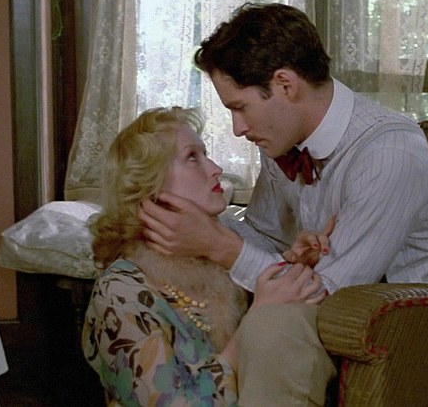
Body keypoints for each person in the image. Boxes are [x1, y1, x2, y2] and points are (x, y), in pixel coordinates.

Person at [139, 3, 428, 406]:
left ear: (285, 84)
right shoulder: (281, 138)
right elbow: (265, 233)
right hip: (325, 300)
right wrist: (198, 223)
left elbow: (327, 294)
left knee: (270, 326)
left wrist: (219, 246)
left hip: (402, 323)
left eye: (240, 108)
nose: (238, 129)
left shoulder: (389, 156)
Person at [82, 106, 329, 407]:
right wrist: (257, 319)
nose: (215, 168)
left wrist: (296, 266)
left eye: (206, 154)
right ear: (149, 186)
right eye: (192, 157)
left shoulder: (222, 258)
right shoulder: (120, 290)